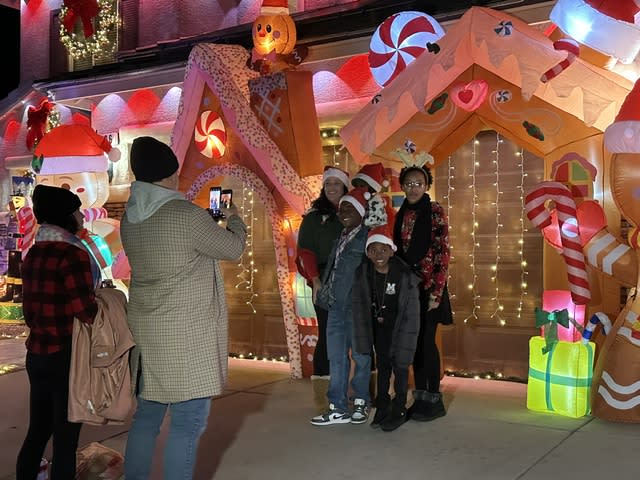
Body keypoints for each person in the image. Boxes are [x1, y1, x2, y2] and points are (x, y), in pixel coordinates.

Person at [121, 136, 247, 479]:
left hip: (147, 334)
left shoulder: (130, 218)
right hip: (184, 337)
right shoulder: (185, 215)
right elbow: (232, 248)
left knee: (146, 420)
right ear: (169, 175)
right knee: (187, 423)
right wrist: (234, 218)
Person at [16, 185, 100, 480]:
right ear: (66, 216)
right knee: (65, 440)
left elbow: (28, 312)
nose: (80, 216)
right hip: (66, 356)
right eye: (76, 211)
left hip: (36, 352)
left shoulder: (34, 253)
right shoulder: (72, 254)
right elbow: (84, 310)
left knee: (37, 432)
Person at [393, 163, 451, 422]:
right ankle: (419, 397)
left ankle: (433, 398)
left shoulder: (435, 210)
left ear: (426, 186)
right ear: (402, 186)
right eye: (409, 183)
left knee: (427, 342)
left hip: (429, 288)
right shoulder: (401, 212)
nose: (413, 188)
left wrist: (436, 292)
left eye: (418, 183)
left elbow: (443, 252)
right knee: (414, 343)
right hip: (408, 289)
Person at [310, 187, 371, 425]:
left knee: (361, 356)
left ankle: (361, 402)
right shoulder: (339, 239)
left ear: (361, 212)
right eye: (342, 208)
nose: (343, 212)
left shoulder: (367, 238)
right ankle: (337, 406)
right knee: (336, 357)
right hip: (335, 307)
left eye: (350, 207)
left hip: (357, 308)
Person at [352, 224, 421, 431]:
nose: (378, 254)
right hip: (379, 329)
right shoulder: (363, 274)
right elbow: (359, 305)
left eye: (383, 249)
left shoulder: (405, 277)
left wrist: (407, 339)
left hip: (402, 329)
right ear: (367, 252)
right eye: (373, 250)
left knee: (400, 367)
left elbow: (412, 314)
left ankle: (399, 408)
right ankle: (382, 406)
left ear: (392, 250)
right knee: (382, 368)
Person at [296, 166, 349, 413]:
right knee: (327, 338)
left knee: (358, 339)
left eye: (337, 184)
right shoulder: (314, 216)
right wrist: (316, 281)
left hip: (352, 283)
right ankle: (323, 399)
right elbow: (305, 251)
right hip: (323, 282)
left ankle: (363, 394)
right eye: (328, 184)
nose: (332, 188)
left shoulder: (355, 213)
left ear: (345, 187)